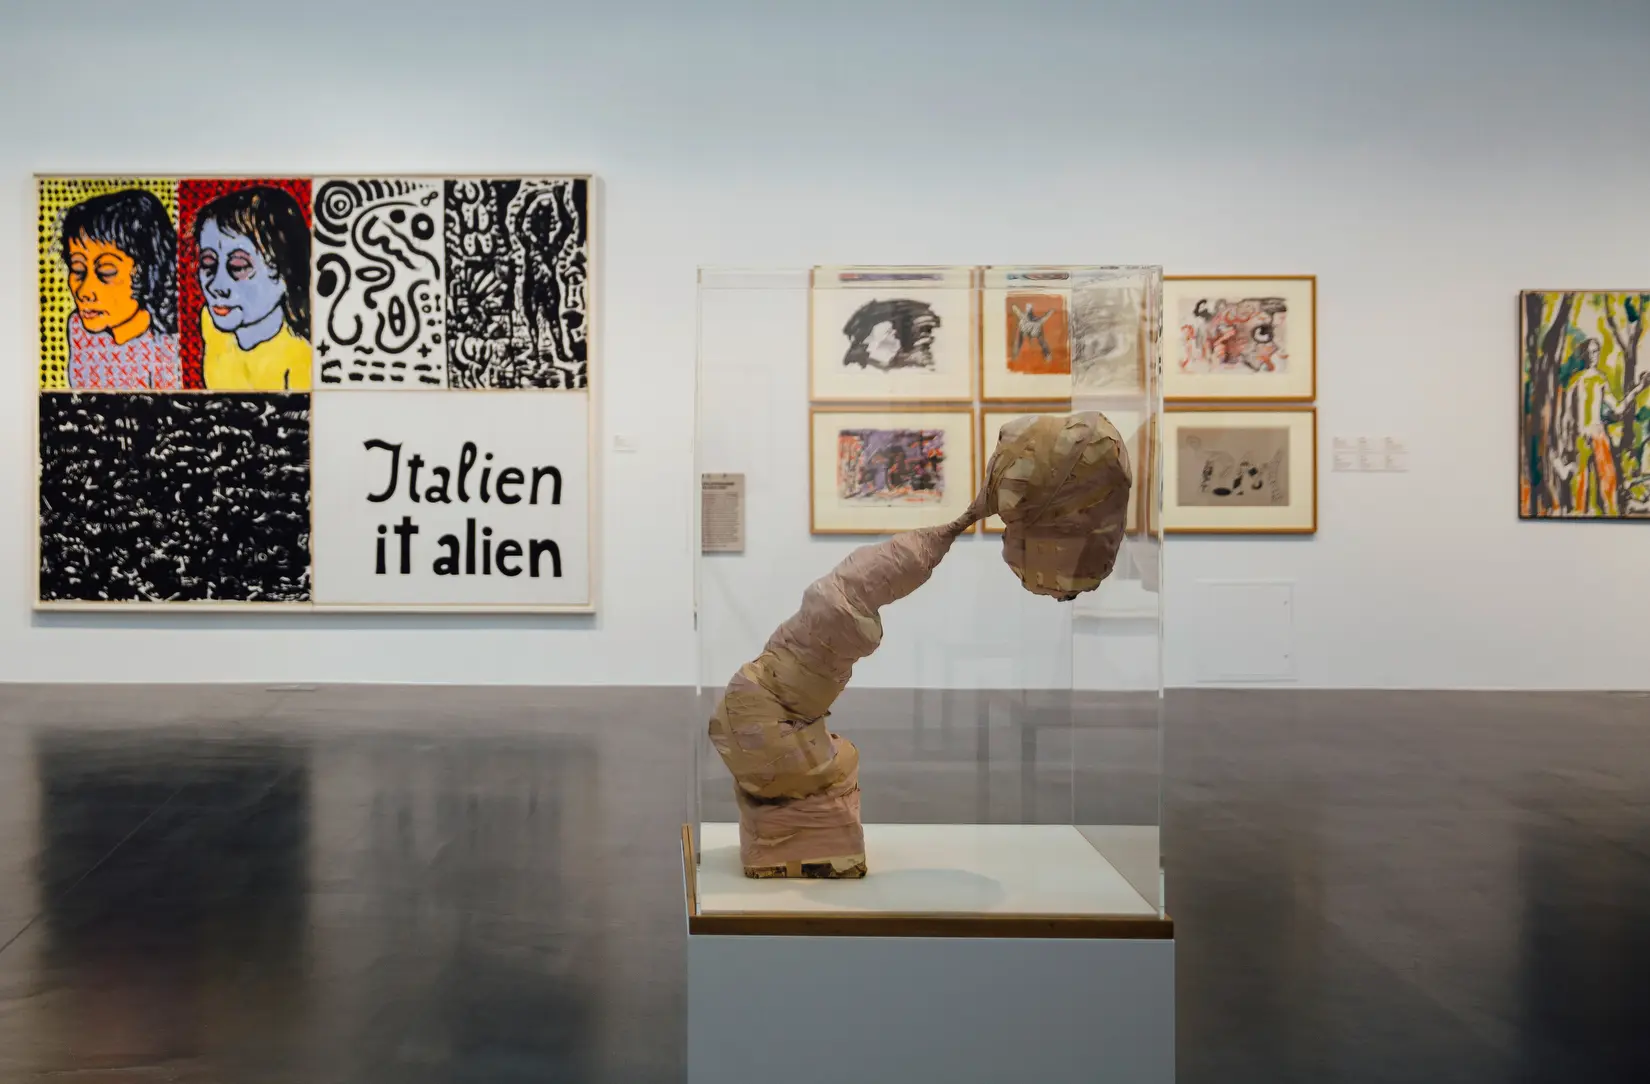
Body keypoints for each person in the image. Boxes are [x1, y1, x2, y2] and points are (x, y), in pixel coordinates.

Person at [59, 189, 181, 389]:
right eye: (78, 270)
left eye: (106, 272)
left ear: (147, 271)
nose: (84, 292)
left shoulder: (168, 346)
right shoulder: (79, 330)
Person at [194, 186, 311, 390]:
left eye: (238, 267)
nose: (216, 286)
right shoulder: (211, 323)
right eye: (208, 264)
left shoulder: (302, 359)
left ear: (284, 274)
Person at [1563, 337, 1650, 515]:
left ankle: (1611, 515)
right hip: (1581, 437)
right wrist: (1567, 442)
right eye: (1590, 352)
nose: (1593, 355)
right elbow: (1567, 416)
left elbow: (1618, 410)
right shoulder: (1575, 381)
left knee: (1608, 482)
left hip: (1598, 434)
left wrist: (1638, 388)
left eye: (1596, 351)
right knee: (1580, 487)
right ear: (1584, 354)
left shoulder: (1600, 379)